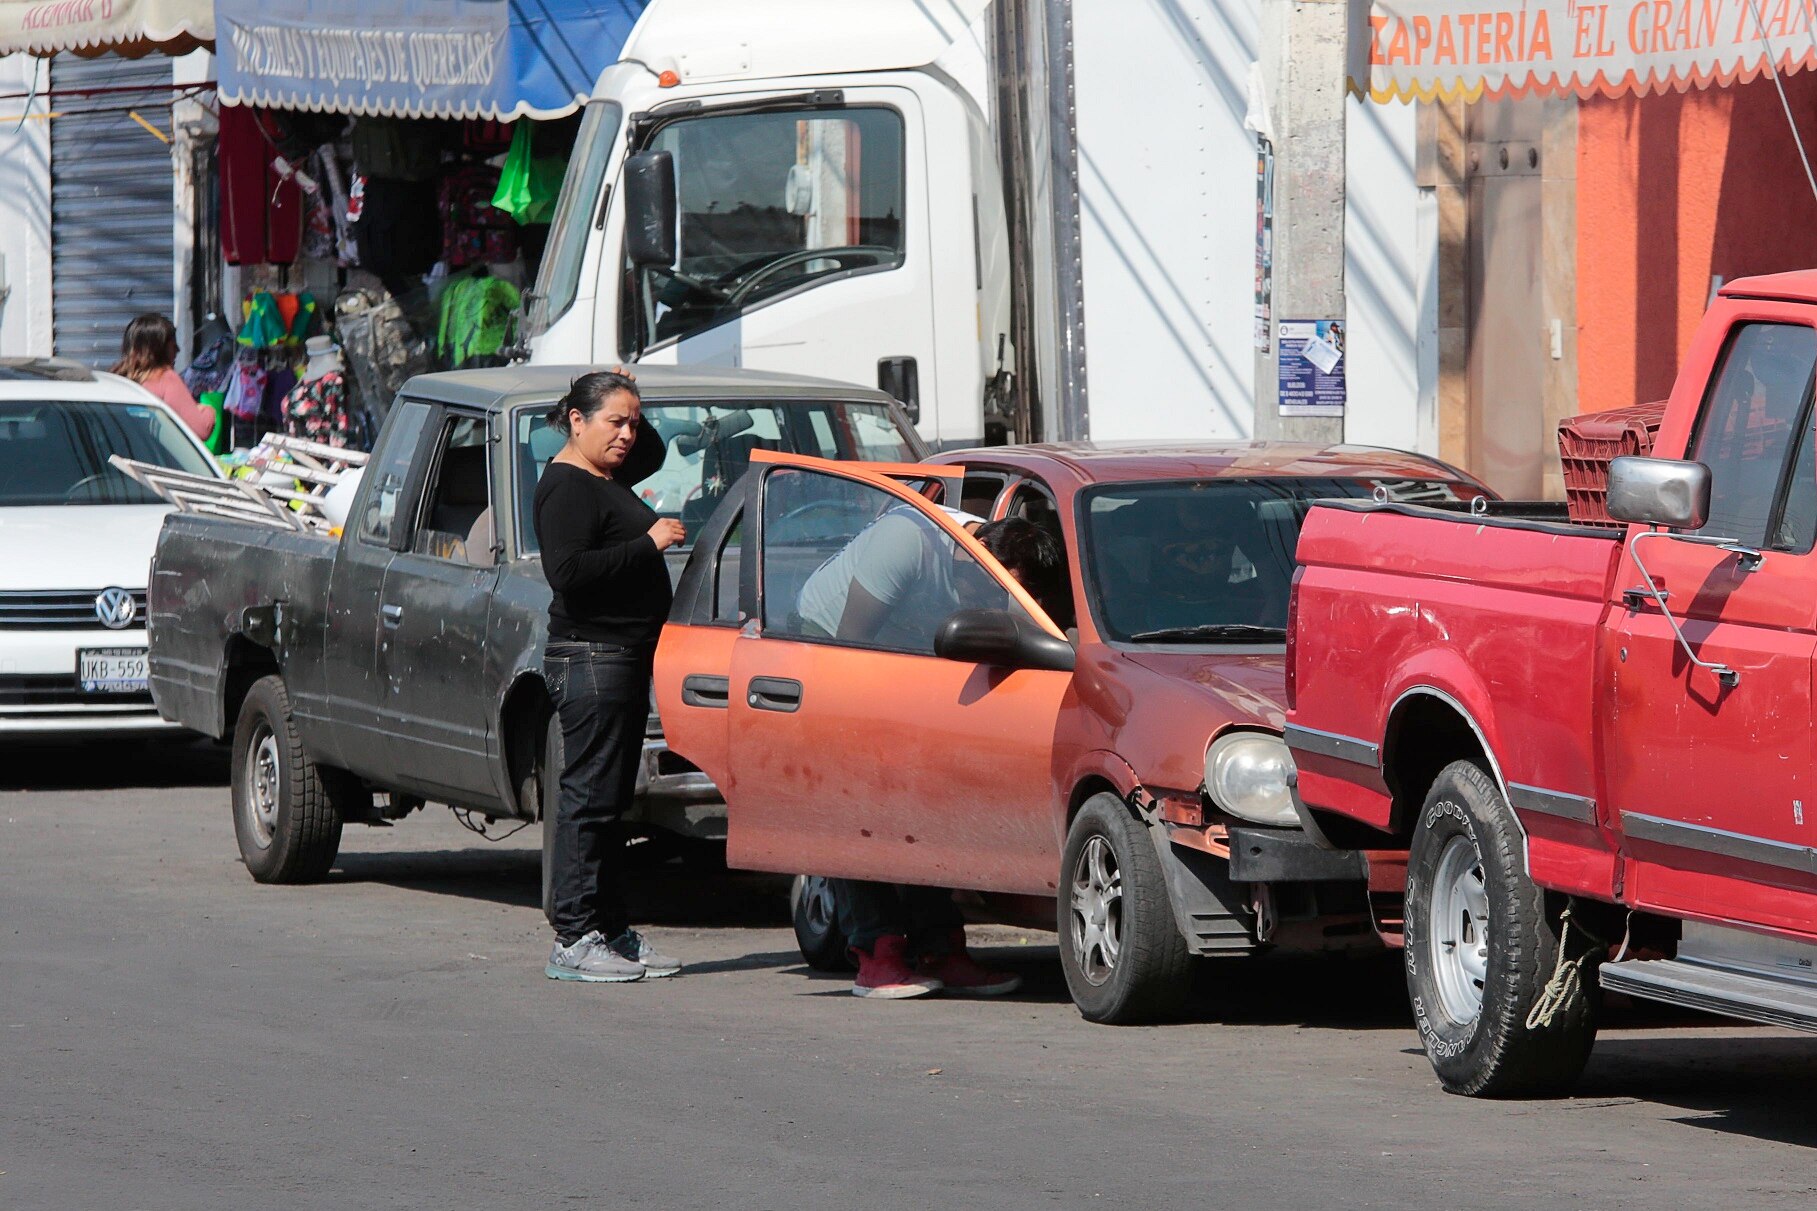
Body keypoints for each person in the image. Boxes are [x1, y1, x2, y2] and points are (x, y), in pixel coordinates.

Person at [799, 511, 1069, 999]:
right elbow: (849, 649)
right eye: (984, 586)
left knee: (933, 800)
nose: (986, 601)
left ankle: (939, 949)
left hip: (914, 655)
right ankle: (875, 952)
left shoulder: (997, 571)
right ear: (974, 552)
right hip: (831, 646)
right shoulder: (908, 542)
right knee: (858, 802)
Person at [532, 369, 685, 983]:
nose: (628, 434)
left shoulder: (605, 476)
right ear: (576, 420)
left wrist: (629, 391)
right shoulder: (567, 486)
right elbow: (567, 572)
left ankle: (611, 930)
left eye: (633, 421)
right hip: (591, 658)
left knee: (613, 800)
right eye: (614, 421)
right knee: (589, 797)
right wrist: (647, 544)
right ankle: (574, 936)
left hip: (623, 657)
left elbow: (648, 453)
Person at [111, 313, 216, 442]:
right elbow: (201, 430)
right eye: (172, 345)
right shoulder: (165, 379)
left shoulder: (114, 379)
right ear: (159, 349)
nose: (177, 350)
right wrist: (208, 409)